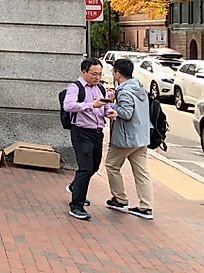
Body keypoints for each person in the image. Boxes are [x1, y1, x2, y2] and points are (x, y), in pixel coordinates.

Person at [62, 58, 117, 220]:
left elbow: (105, 106)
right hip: (81, 132)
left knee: (94, 166)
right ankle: (76, 205)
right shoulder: (75, 87)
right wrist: (91, 105)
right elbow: (69, 105)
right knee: (85, 168)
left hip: (97, 132)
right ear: (84, 72)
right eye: (93, 74)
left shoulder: (100, 87)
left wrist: (109, 111)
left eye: (100, 74)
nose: (97, 77)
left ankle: (75, 187)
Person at [105, 58, 154, 219]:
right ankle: (146, 206)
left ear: (118, 74)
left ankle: (120, 199)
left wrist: (110, 104)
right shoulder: (138, 87)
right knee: (142, 173)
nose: (113, 73)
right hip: (141, 137)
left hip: (126, 138)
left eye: (114, 71)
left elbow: (126, 113)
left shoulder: (125, 91)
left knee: (112, 165)